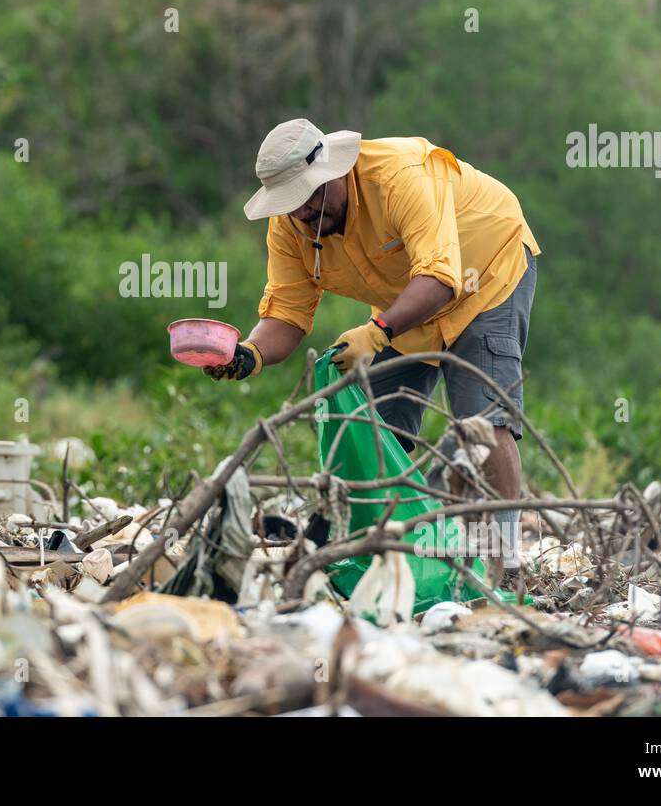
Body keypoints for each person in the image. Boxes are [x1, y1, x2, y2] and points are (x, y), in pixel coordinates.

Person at [207, 118, 540, 570]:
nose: (303, 213)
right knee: (372, 425)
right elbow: (286, 312)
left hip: (484, 275)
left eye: (309, 197)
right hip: (408, 300)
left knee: (483, 419)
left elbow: (441, 278)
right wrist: (250, 354)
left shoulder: (400, 178)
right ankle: (377, 544)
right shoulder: (292, 226)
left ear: (335, 172)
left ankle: (503, 558)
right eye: (291, 205)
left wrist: (379, 330)